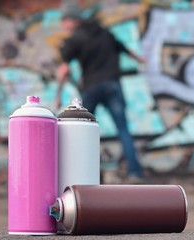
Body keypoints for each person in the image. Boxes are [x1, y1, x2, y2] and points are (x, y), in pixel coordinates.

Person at [55, 1, 146, 183]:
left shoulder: (75, 39)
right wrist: (141, 59)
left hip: (92, 88)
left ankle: (81, 175)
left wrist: (57, 96)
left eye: (65, 20)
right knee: (123, 130)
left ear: (72, 20)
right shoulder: (104, 32)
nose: (63, 25)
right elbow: (125, 49)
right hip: (113, 85)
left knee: (82, 131)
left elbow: (63, 70)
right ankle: (135, 172)